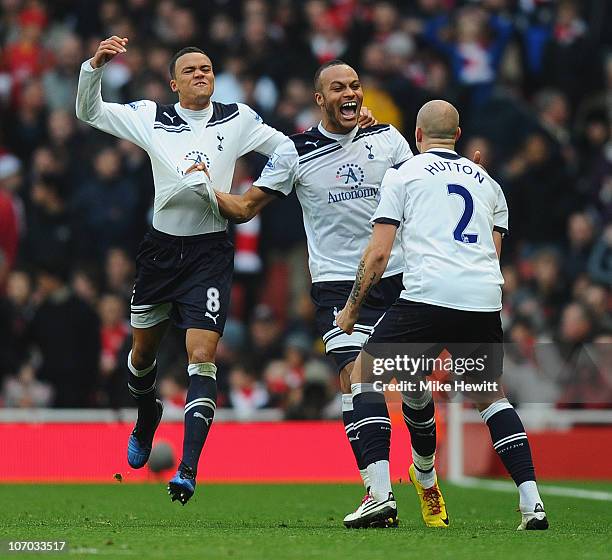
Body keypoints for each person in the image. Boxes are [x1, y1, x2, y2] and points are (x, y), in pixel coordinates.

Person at [75, 38, 374, 505]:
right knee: (140, 359)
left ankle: (188, 469)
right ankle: (147, 411)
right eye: (191, 69)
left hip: (209, 253)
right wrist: (94, 67)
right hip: (160, 253)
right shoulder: (152, 117)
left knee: (202, 356)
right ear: (174, 83)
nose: (201, 74)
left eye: (208, 68)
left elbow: (292, 149)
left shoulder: (238, 118)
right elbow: (89, 112)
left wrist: (351, 130)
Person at [215, 60, 453, 528]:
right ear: (319, 99)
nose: (351, 93)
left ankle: (425, 479)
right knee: (355, 377)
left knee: (414, 391)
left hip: (399, 277)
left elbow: (424, 192)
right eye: (338, 87)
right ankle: (379, 494)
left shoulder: (387, 140)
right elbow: (245, 208)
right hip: (336, 285)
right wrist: (200, 184)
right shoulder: (295, 152)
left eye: (356, 86)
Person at [336, 100, 548, 531]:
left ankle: (378, 496)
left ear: (417, 136)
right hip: (482, 298)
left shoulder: (404, 175)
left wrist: (350, 309)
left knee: (364, 376)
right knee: (491, 397)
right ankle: (533, 505)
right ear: (458, 134)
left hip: (427, 295)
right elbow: (492, 254)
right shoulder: (488, 183)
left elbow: (378, 254)